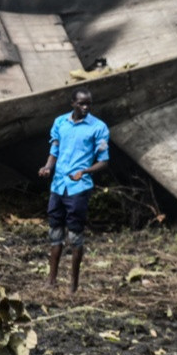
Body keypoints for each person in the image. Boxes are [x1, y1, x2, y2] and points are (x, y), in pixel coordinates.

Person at [38, 88, 109, 293]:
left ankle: (73, 285)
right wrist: (47, 167)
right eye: (81, 104)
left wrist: (84, 171)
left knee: (75, 236)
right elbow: (55, 151)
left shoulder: (98, 128)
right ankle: (51, 280)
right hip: (58, 185)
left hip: (78, 188)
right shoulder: (60, 122)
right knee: (55, 231)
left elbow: (104, 161)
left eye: (88, 104)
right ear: (73, 103)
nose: (86, 107)